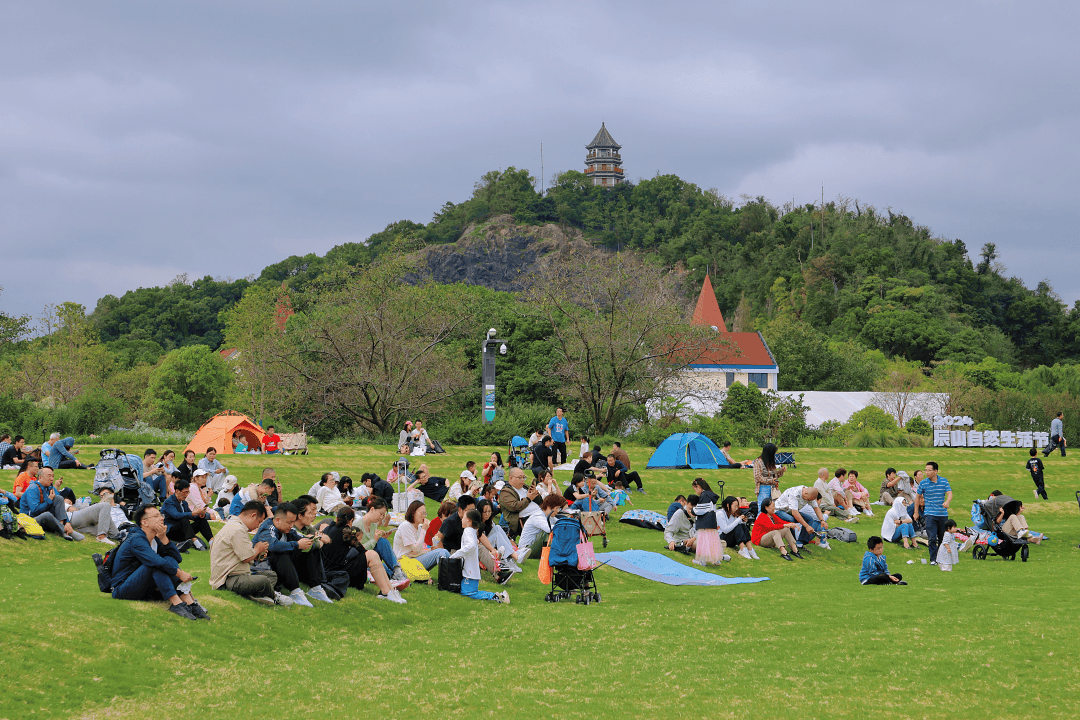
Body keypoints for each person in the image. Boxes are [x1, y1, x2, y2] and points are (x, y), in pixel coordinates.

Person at [109, 505, 208, 619]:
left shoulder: (155, 538)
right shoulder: (136, 539)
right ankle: (177, 603)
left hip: (144, 586)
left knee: (167, 560)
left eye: (160, 515)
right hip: (123, 589)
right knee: (155, 564)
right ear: (144, 522)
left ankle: (189, 602)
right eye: (156, 516)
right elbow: (156, 562)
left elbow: (176, 558)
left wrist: (164, 538)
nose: (161, 518)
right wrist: (179, 573)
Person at [321, 507, 404, 603]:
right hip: (337, 571)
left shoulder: (329, 528)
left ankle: (390, 591)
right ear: (351, 520)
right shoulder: (346, 532)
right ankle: (386, 591)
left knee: (372, 555)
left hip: (329, 570)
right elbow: (360, 549)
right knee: (372, 555)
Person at [210, 501, 284, 606]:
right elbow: (246, 558)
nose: (257, 526)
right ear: (253, 516)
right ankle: (273, 598)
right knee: (264, 580)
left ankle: (257, 594)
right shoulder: (237, 529)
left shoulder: (235, 526)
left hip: (238, 576)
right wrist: (258, 548)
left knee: (270, 576)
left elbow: (244, 556)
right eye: (259, 522)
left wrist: (258, 556)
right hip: (228, 579)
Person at [432, 495, 512, 585]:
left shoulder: (472, 518)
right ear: (460, 510)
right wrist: (444, 558)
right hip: (453, 551)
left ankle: (499, 575)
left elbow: (480, 535)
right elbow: (437, 537)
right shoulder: (450, 521)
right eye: (468, 510)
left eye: (473, 509)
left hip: (467, 548)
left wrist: (492, 549)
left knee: (480, 548)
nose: (472, 512)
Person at [253, 502, 317, 607]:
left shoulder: (287, 528)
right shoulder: (267, 527)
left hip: (277, 568)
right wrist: (297, 545)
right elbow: (273, 545)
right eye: (289, 522)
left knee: (307, 551)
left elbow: (300, 537)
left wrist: (312, 540)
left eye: (293, 522)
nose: (292, 525)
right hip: (262, 568)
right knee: (280, 553)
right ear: (277, 520)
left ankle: (316, 587)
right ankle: (295, 591)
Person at [451, 508, 510, 603]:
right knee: (465, 591)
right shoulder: (472, 531)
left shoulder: (468, 531)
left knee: (468, 593)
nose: (461, 519)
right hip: (471, 571)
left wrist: (456, 555)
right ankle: (497, 596)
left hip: (470, 573)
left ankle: (497, 597)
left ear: (468, 520)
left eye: (463, 518)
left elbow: (471, 546)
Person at [356, 498, 411, 587]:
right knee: (383, 567)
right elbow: (357, 550)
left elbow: (374, 544)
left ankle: (396, 571)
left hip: (371, 556)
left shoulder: (373, 524)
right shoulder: (357, 525)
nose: (381, 517)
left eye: (383, 515)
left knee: (383, 541)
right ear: (372, 509)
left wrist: (378, 539)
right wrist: (374, 540)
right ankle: (394, 574)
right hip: (362, 559)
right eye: (380, 514)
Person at [290, 496, 335, 602]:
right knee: (310, 549)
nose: (314, 514)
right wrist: (318, 540)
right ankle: (316, 586)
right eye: (310, 512)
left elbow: (327, 540)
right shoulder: (291, 528)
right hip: (292, 566)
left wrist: (317, 539)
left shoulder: (306, 527)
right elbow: (309, 543)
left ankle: (317, 586)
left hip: (303, 566)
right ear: (300, 515)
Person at [19, 467, 83, 541]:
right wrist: (49, 500)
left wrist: (67, 522)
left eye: (53, 476)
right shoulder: (33, 489)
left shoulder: (50, 487)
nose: (52, 479)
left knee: (59, 498)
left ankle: (62, 527)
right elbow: (34, 510)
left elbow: (60, 506)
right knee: (47, 515)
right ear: (40, 477)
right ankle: (64, 530)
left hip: (45, 516)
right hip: (30, 519)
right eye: (49, 476)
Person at [393, 500, 451, 570]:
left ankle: (450, 576)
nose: (424, 516)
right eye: (422, 513)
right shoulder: (405, 526)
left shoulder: (418, 527)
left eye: (425, 513)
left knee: (441, 551)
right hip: (405, 563)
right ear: (413, 512)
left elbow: (420, 548)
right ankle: (449, 577)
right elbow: (416, 549)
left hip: (413, 560)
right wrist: (424, 530)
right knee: (442, 552)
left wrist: (430, 549)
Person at [914, 461, 952, 565]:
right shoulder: (923, 483)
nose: (927, 472)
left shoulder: (944, 481)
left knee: (942, 538)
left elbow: (949, 493)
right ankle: (933, 559)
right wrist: (916, 512)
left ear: (935, 471)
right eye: (926, 470)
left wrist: (947, 502)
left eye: (929, 470)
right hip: (930, 514)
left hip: (942, 514)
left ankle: (941, 558)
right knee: (931, 538)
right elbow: (917, 498)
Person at [161, 479, 214, 551]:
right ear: (177, 491)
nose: (187, 495)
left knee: (201, 520)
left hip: (184, 530)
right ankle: (196, 543)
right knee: (184, 519)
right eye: (185, 492)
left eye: (188, 492)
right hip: (172, 531)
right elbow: (177, 515)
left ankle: (212, 542)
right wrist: (193, 513)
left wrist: (200, 514)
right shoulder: (169, 502)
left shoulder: (184, 503)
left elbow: (191, 515)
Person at [774, 484, 830, 550]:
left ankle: (800, 544)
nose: (809, 501)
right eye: (809, 500)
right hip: (779, 510)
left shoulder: (810, 494)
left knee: (809, 519)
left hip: (790, 510)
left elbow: (816, 508)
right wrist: (807, 526)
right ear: (805, 493)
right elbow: (794, 513)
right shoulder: (794, 494)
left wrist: (822, 520)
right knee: (790, 519)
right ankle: (792, 543)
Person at [475, 498, 523, 574]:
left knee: (497, 527)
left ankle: (512, 553)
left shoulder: (488, 522)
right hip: (480, 547)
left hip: (487, 543)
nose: (487, 514)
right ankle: (515, 556)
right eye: (485, 512)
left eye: (489, 511)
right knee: (497, 535)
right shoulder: (476, 522)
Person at [514, 494, 566, 562]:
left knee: (559, 528)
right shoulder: (538, 516)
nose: (558, 511)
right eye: (557, 508)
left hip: (534, 547)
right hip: (526, 549)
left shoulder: (549, 517)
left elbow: (560, 522)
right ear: (548, 507)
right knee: (547, 533)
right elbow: (549, 529)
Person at [691, 478, 726, 565]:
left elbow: (701, 509)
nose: (696, 491)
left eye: (695, 489)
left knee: (703, 540)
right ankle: (715, 559)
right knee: (712, 540)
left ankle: (702, 560)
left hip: (705, 522)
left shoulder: (705, 495)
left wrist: (693, 511)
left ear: (698, 486)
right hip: (711, 521)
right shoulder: (710, 494)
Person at [498, 466, 540, 538]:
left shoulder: (524, 487)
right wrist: (529, 499)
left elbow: (540, 502)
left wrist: (535, 493)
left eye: (524, 477)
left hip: (537, 514)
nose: (522, 480)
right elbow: (514, 506)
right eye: (520, 478)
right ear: (511, 478)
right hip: (523, 521)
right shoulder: (505, 492)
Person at [752, 444, 786, 508]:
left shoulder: (770, 462)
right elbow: (758, 477)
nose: (774, 455)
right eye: (773, 453)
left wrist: (781, 471)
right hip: (763, 487)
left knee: (774, 508)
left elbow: (775, 475)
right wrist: (770, 480)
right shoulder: (758, 461)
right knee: (762, 508)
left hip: (773, 488)